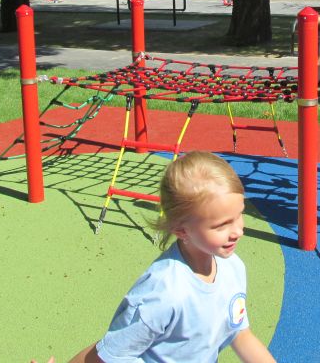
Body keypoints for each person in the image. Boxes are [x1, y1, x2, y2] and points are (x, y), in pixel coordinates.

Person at [68, 151, 276, 363]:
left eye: (239, 214)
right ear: (182, 230)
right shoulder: (162, 293)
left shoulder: (233, 268)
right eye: (221, 225)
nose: (238, 231)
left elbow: (240, 333)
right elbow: (110, 353)